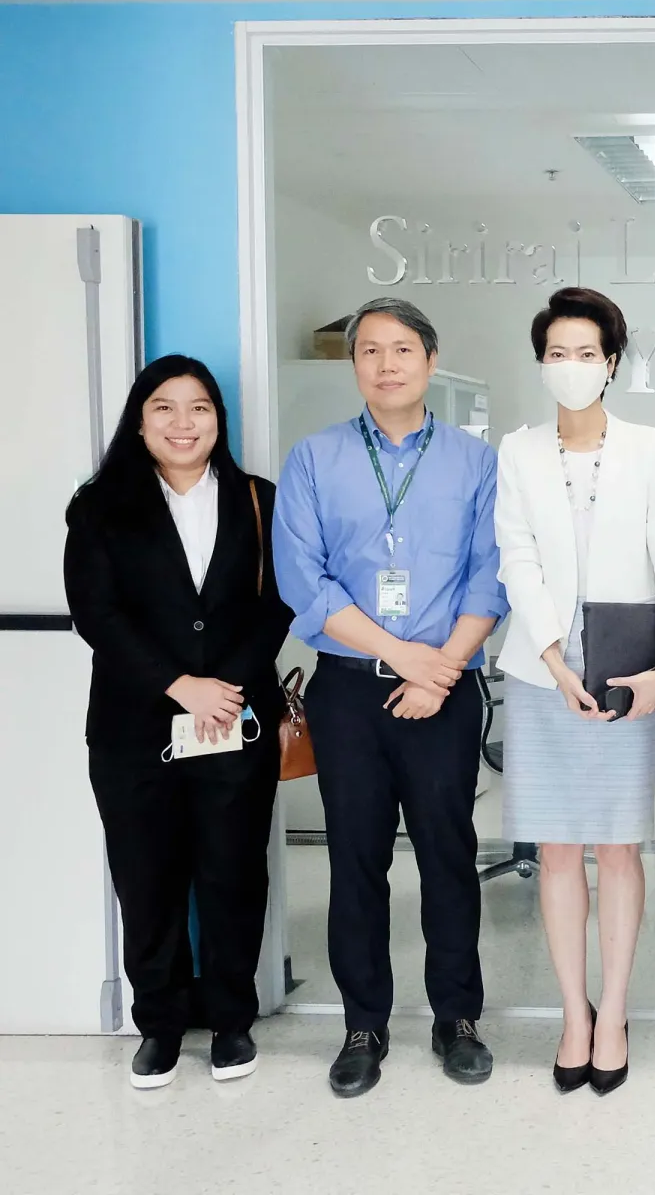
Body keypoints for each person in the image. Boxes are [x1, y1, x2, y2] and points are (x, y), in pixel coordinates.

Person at [273, 297, 508, 1098]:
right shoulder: (314, 459)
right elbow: (304, 583)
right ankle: (363, 1026)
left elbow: (490, 576)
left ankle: (457, 1019)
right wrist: (405, 657)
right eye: (369, 350)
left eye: (402, 348)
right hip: (348, 692)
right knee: (355, 862)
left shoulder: (476, 462)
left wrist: (440, 669)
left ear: (431, 361)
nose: (386, 364)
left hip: (447, 689)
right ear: (354, 366)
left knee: (449, 859)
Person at [64, 355, 294, 1089]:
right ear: (140, 421)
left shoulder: (259, 499)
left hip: (235, 721)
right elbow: (95, 612)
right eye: (164, 407)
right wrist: (178, 685)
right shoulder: (100, 505)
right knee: (148, 879)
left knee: (233, 873)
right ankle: (159, 1027)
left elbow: (279, 603)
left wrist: (224, 687)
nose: (183, 422)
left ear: (218, 419)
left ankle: (231, 1021)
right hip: (134, 729)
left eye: (199, 407)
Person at [494, 287, 655, 1096]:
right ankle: (571, 1013)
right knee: (555, 847)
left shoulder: (649, 448)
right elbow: (516, 556)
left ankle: (613, 1012)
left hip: (625, 665)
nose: (570, 366)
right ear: (541, 362)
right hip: (542, 664)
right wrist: (553, 658)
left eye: (586, 353)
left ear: (611, 363)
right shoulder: (518, 451)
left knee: (617, 845)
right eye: (557, 354)